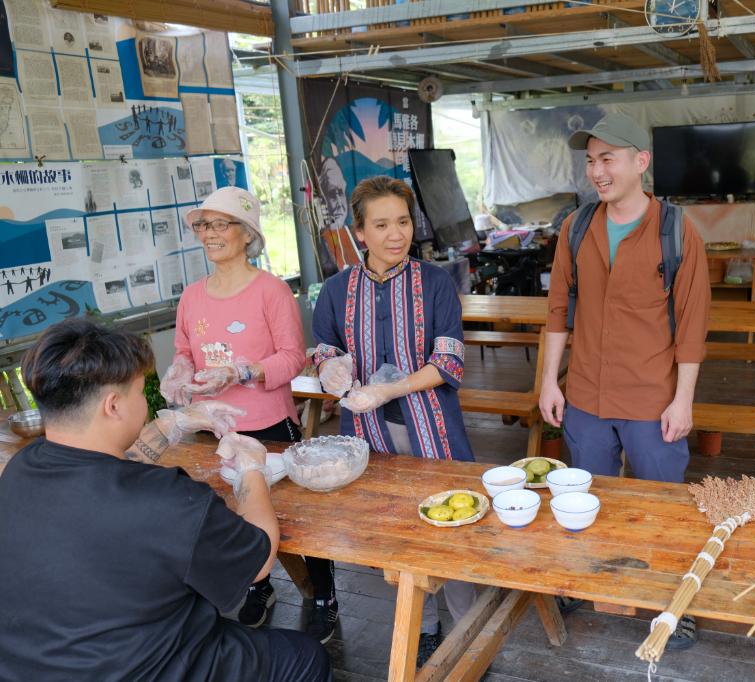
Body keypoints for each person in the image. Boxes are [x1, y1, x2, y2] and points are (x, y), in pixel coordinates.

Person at [0, 318, 332, 682]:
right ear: (113, 406)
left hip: (33, 666)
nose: (145, 403)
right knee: (306, 656)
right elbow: (259, 558)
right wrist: (252, 471)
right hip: (148, 669)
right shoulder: (166, 498)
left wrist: (175, 422)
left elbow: (104, 471)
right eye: (141, 393)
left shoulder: (20, 468)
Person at [540, 113, 711, 650]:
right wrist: (550, 382)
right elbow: (557, 310)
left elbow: (693, 323)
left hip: (651, 398)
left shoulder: (676, 230)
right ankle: (593, 582)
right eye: (591, 160)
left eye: (607, 158)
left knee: (662, 508)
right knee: (584, 501)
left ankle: (672, 606)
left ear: (641, 162)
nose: (597, 170)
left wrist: (683, 400)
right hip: (587, 395)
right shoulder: (577, 226)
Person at [310, 175, 477, 667]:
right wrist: (329, 367)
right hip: (367, 434)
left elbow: (449, 360)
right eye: (381, 224)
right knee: (396, 529)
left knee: (453, 523)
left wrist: (390, 387)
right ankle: (423, 625)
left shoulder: (436, 282)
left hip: (433, 428)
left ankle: (466, 625)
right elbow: (323, 349)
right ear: (359, 231)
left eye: (403, 221)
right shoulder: (338, 289)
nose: (396, 234)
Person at [159, 187, 333, 642]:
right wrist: (179, 371)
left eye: (220, 224)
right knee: (229, 514)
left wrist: (240, 370)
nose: (208, 234)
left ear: (247, 232)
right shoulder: (192, 296)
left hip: (272, 425)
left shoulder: (271, 290)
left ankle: (324, 596)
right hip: (213, 427)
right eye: (203, 225)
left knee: (302, 518)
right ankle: (259, 584)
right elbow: (183, 350)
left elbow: (295, 358)